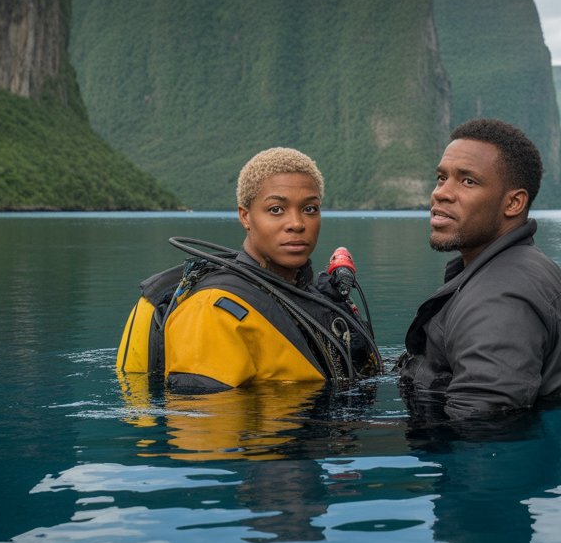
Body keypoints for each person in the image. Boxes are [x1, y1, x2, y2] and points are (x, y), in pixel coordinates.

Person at [116, 147, 382, 392]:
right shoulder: (213, 310)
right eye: (276, 209)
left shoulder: (309, 296)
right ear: (245, 216)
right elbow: (207, 430)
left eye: (310, 209)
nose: (297, 223)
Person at [397, 118, 561, 420]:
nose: (441, 193)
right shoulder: (513, 269)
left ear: (513, 203)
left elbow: (482, 431)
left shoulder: (500, 300)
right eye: (441, 178)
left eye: (468, 181)